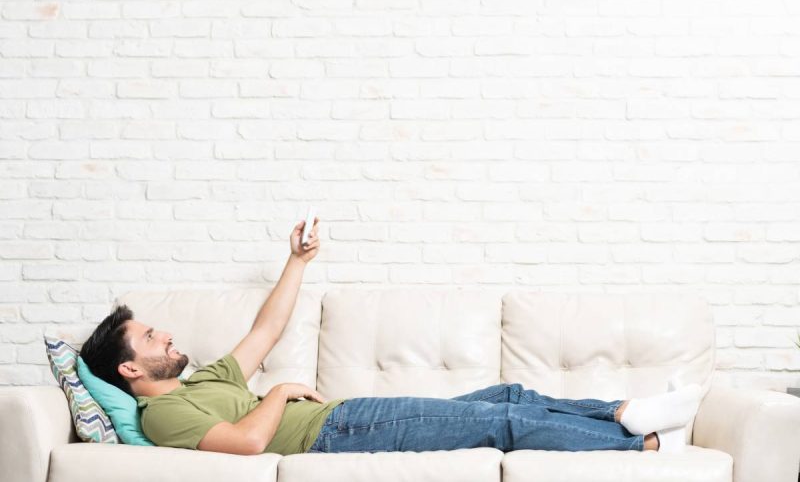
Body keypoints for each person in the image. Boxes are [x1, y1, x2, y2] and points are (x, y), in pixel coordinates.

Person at [79, 217, 702, 456]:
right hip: (337, 432)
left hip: (347, 415)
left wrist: (297, 262)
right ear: (130, 371)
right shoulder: (163, 419)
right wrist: (281, 393)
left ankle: (623, 410)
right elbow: (245, 444)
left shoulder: (206, 378)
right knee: (501, 426)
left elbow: (267, 328)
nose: (165, 337)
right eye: (150, 338)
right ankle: (644, 448)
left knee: (508, 394)